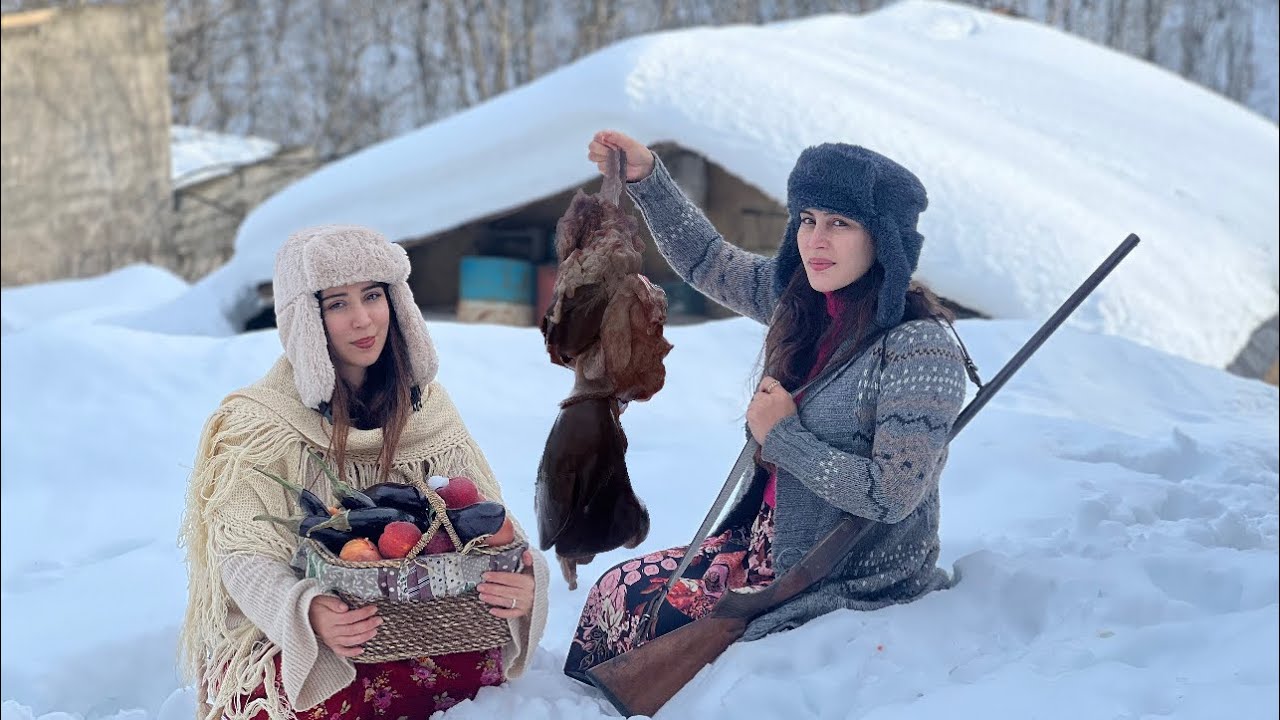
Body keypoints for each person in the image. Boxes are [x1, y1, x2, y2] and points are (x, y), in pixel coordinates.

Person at [563, 131, 971, 681]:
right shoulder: (801, 303)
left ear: (885, 241)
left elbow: (892, 494)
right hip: (764, 541)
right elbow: (707, 260)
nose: (816, 240)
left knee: (654, 632)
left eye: (840, 223)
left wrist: (783, 437)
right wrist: (648, 178)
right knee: (618, 595)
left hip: (840, 570)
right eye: (807, 219)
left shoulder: (918, 349)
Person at [179, 225, 550, 719]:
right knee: (307, 695)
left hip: (412, 623)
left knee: (474, 659)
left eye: (372, 296)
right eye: (336, 304)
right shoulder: (261, 425)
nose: (362, 320)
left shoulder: (429, 412)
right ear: (306, 319)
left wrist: (524, 577)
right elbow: (242, 555)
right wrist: (307, 611)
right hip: (300, 634)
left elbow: (490, 520)